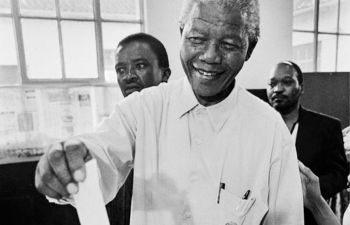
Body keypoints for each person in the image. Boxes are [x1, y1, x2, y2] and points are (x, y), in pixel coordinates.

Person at [35, 0, 304, 224]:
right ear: (181, 35)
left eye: (229, 45)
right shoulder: (145, 109)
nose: (209, 56)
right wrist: (72, 162)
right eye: (197, 39)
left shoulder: (270, 131)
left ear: (250, 48)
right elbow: (101, 150)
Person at [266, 60, 348, 225]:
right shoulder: (256, 128)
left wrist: (308, 192)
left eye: (287, 82)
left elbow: (339, 176)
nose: (277, 89)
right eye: (272, 83)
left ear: (301, 87)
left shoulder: (327, 127)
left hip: (309, 218)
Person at [107, 32, 171, 225]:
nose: (129, 76)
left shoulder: (178, 128)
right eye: (121, 69)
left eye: (140, 66)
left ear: (165, 74)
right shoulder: (116, 131)